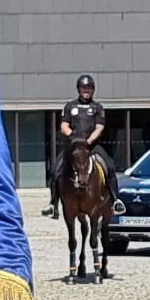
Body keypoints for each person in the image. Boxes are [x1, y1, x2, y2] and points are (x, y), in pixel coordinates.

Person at [52, 75, 109, 218]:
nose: (86, 91)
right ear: (79, 89)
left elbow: (100, 127)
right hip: (73, 146)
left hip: (91, 146)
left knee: (109, 165)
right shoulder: (70, 106)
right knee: (57, 168)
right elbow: (64, 125)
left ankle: (114, 199)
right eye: (84, 88)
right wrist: (74, 138)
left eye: (89, 88)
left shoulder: (97, 107)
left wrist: (88, 141)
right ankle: (53, 203)